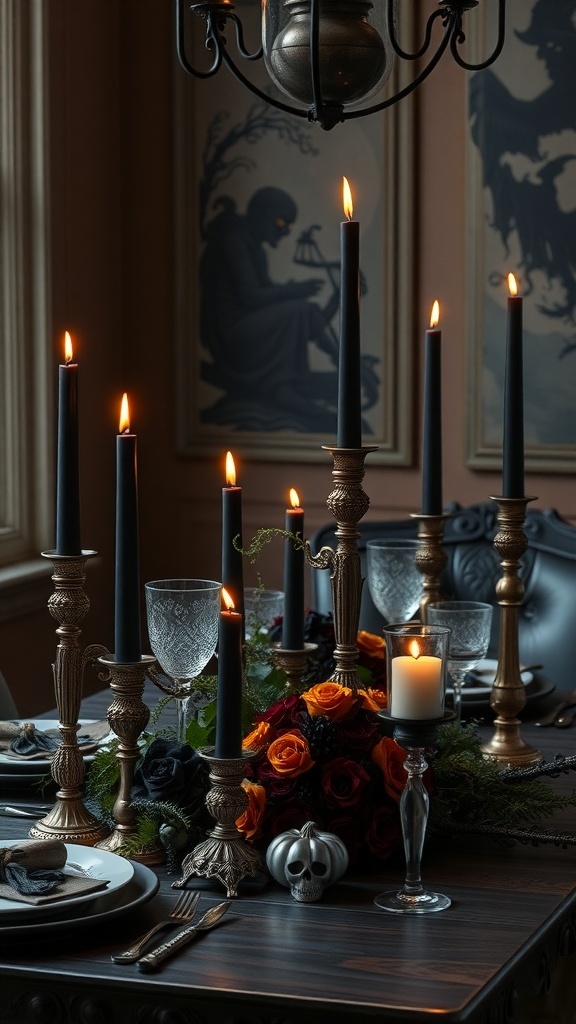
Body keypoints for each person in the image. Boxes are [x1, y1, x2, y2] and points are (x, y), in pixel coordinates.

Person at [199, 187, 341, 432]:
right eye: (281, 221)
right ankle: (284, 388)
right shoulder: (233, 239)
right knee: (296, 309)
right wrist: (293, 291)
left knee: (301, 309)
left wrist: (335, 301)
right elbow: (253, 297)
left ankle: (342, 360)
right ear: (262, 214)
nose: (285, 230)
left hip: (249, 323)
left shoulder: (252, 244)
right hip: (232, 334)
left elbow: (269, 299)